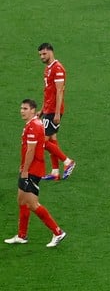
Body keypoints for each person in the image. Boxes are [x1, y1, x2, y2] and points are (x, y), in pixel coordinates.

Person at [4, 99, 66, 248]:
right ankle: (21, 235)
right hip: (27, 169)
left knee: (32, 204)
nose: (22, 111)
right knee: (21, 200)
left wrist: (25, 171)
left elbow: (31, 151)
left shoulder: (33, 127)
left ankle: (58, 232)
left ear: (33, 110)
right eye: (21, 108)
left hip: (32, 171)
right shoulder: (35, 123)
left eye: (25, 108)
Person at [38, 43, 75, 181]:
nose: (42, 57)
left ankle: (68, 162)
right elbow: (48, 92)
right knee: (52, 140)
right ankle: (55, 172)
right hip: (48, 109)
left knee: (42, 141)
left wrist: (57, 112)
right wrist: (42, 110)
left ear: (51, 52)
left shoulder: (58, 69)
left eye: (44, 54)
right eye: (40, 55)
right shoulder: (48, 69)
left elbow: (59, 91)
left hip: (54, 110)